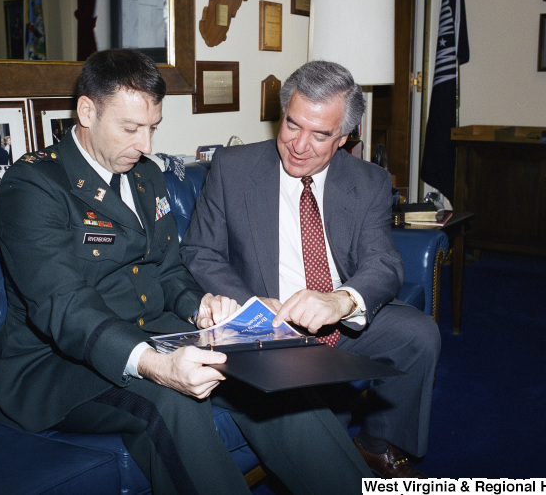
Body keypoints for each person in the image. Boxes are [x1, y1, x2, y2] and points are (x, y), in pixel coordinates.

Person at [0, 49, 371, 494]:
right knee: (172, 397)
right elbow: (65, 307)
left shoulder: (146, 175)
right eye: (131, 129)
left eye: (152, 128)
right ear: (86, 111)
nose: (146, 145)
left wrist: (201, 306)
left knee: (262, 357)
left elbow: (168, 270)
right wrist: (155, 365)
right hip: (54, 366)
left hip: (155, 331)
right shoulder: (34, 185)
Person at [180, 60, 441, 479]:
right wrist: (254, 308)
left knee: (418, 334)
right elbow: (200, 251)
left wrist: (341, 299)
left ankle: (377, 443)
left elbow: (383, 261)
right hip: (267, 326)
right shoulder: (233, 169)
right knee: (321, 442)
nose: (299, 145)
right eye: (292, 125)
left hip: (335, 315)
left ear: (343, 138)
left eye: (320, 135)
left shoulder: (369, 180)